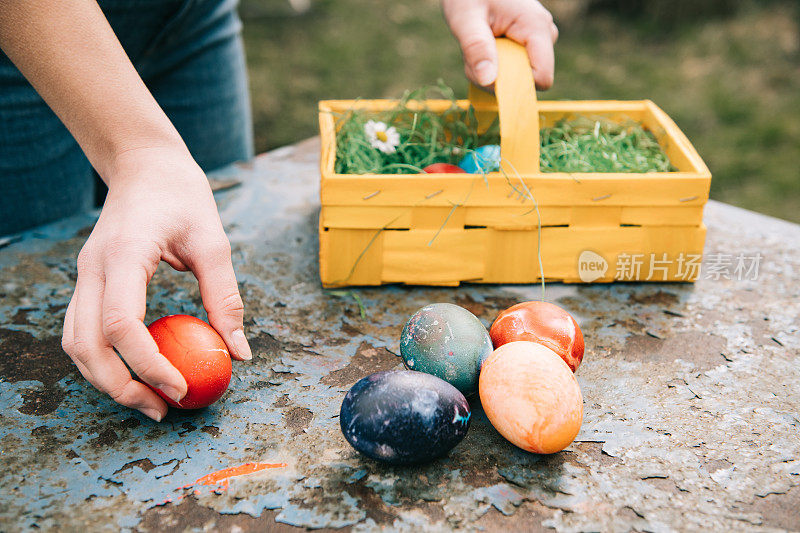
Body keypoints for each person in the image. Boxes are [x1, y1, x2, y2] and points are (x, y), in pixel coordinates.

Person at [0, 0, 558, 422]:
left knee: (207, 239)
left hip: (188, 13)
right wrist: (140, 152)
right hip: (32, 33)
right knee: (41, 282)